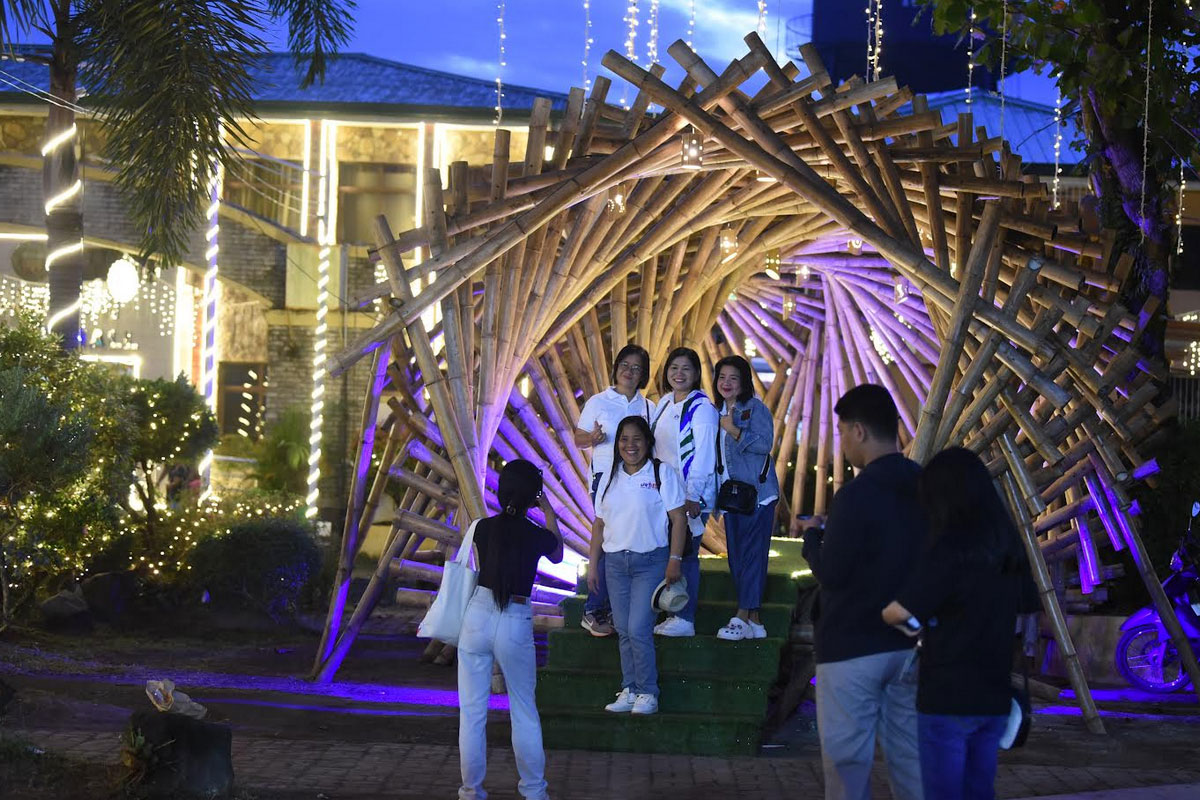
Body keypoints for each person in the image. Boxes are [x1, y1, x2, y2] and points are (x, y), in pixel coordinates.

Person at [882, 447, 1037, 800]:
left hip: (947, 697)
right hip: (994, 696)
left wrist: (905, 621)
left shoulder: (949, 550)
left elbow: (898, 611)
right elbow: (1027, 602)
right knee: (979, 790)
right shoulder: (1008, 546)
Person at [799, 383, 924, 800]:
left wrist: (813, 539)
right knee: (910, 756)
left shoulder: (855, 495)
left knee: (848, 761)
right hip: (909, 644)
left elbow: (833, 572)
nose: (842, 442)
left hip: (852, 645)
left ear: (858, 431)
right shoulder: (924, 485)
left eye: (841, 432)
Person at [457, 460, 564, 800]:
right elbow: (559, 553)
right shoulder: (536, 536)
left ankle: (470, 791)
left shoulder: (481, 528)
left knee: (472, 713)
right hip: (515, 618)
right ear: (533, 496)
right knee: (523, 709)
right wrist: (547, 509)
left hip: (477, 615)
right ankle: (534, 791)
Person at [588, 415, 688, 716]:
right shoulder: (608, 476)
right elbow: (599, 524)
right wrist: (593, 565)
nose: (630, 445)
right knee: (623, 628)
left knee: (638, 627)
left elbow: (678, 519)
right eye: (624, 439)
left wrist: (674, 560)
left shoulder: (662, 474)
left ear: (648, 442)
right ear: (617, 444)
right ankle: (630, 688)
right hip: (615, 562)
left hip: (650, 561)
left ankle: (648, 692)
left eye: (637, 439)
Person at [574, 344, 653, 638]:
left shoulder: (648, 407)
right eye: (625, 365)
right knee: (606, 541)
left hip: (636, 482)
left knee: (624, 543)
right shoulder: (598, 401)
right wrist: (592, 438)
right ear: (616, 367)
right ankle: (593, 609)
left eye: (636, 368)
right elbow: (578, 438)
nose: (629, 372)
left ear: (643, 374)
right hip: (605, 479)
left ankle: (615, 609)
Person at [650, 347, 719, 638]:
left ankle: (685, 618)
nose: (679, 374)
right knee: (669, 551)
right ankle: (671, 611)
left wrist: (693, 494)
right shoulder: (664, 402)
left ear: (696, 374)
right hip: (665, 491)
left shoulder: (702, 409)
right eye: (674, 368)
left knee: (687, 554)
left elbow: (703, 456)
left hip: (691, 493)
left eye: (686, 369)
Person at [712, 355, 781, 641]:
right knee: (738, 558)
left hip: (757, 495)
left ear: (743, 382)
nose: (726, 383)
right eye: (722, 377)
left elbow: (766, 444)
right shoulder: (715, 411)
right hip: (731, 497)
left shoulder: (754, 408)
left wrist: (735, 431)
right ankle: (754, 620)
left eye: (733, 378)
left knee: (752, 554)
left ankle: (741, 614)